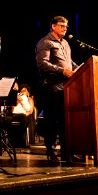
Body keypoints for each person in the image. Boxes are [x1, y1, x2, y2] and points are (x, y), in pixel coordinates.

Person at [35, 15, 80, 163]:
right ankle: (51, 152)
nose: (65, 28)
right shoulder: (45, 42)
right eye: (62, 26)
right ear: (53, 26)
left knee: (66, 121)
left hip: (67, 87)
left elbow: (69, 63)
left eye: (66, 26)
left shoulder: (65, 43)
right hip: (52, 87)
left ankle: (67, 152)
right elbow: (43, 64)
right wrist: (62, 71)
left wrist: (79, 68)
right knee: (52, 121)